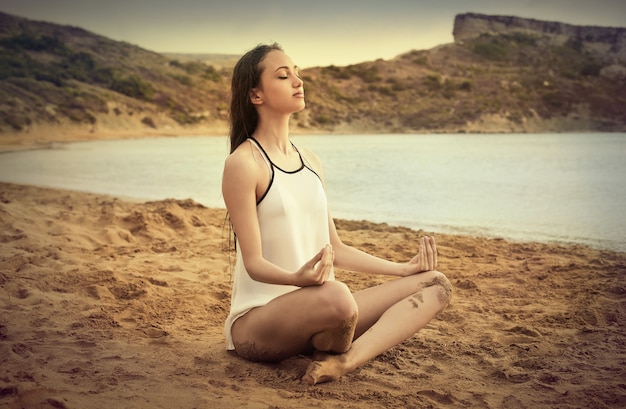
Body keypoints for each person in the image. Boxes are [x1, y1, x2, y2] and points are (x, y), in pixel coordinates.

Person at [222, 43, 452, 385]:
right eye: (284, 76)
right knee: (339, 296)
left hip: (325, 308)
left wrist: (403, 269)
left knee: (436, 283)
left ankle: (344, 361)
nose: (298, 81)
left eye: (297, 73)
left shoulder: (311, 161)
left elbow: (336, 248)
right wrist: (297, 280)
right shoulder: (243, 164)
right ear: (256, 95)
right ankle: (330, 342)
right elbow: (253, 262)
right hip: (260, 323)